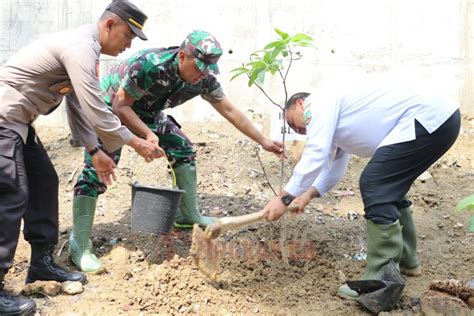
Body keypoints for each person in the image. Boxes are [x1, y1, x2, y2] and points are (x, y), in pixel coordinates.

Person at [69, 30, 284, 273]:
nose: (203, 74)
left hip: (146, 112)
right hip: (109, 108)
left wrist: (263, 140)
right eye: (199, 67)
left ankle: (187, 215)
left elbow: (230, 110)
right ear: (182, 56)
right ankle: (80, 243)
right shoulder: (150, 65)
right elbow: (121, 106)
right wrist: (146, 137)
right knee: (99, 168)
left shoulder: (204, 77)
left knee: (182, 148)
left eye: (208, 69)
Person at [0, 1, 162, 314]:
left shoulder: (85, 51)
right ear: (109, 25)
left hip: (18, 123)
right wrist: (136, 143)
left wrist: (95, 150)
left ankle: (42, 264)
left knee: (45, 182)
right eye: (128, 36)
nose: (128, 45)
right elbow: (97, 111)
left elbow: (76, 105)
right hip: (4, 122)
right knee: (10, 194)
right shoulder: (80, 48)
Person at [262, 81, 461, 300]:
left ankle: (380, 283)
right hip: (439, 119)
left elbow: (316, 153)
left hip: (428, 118)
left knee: (375, 184)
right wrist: (306, 195)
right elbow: (333, 166)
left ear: (300, 103)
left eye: (293, 122)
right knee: (389, 185)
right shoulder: (334, 119)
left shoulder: (317, 102)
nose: (297, 130)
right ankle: (406, 260)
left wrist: (285, 197)